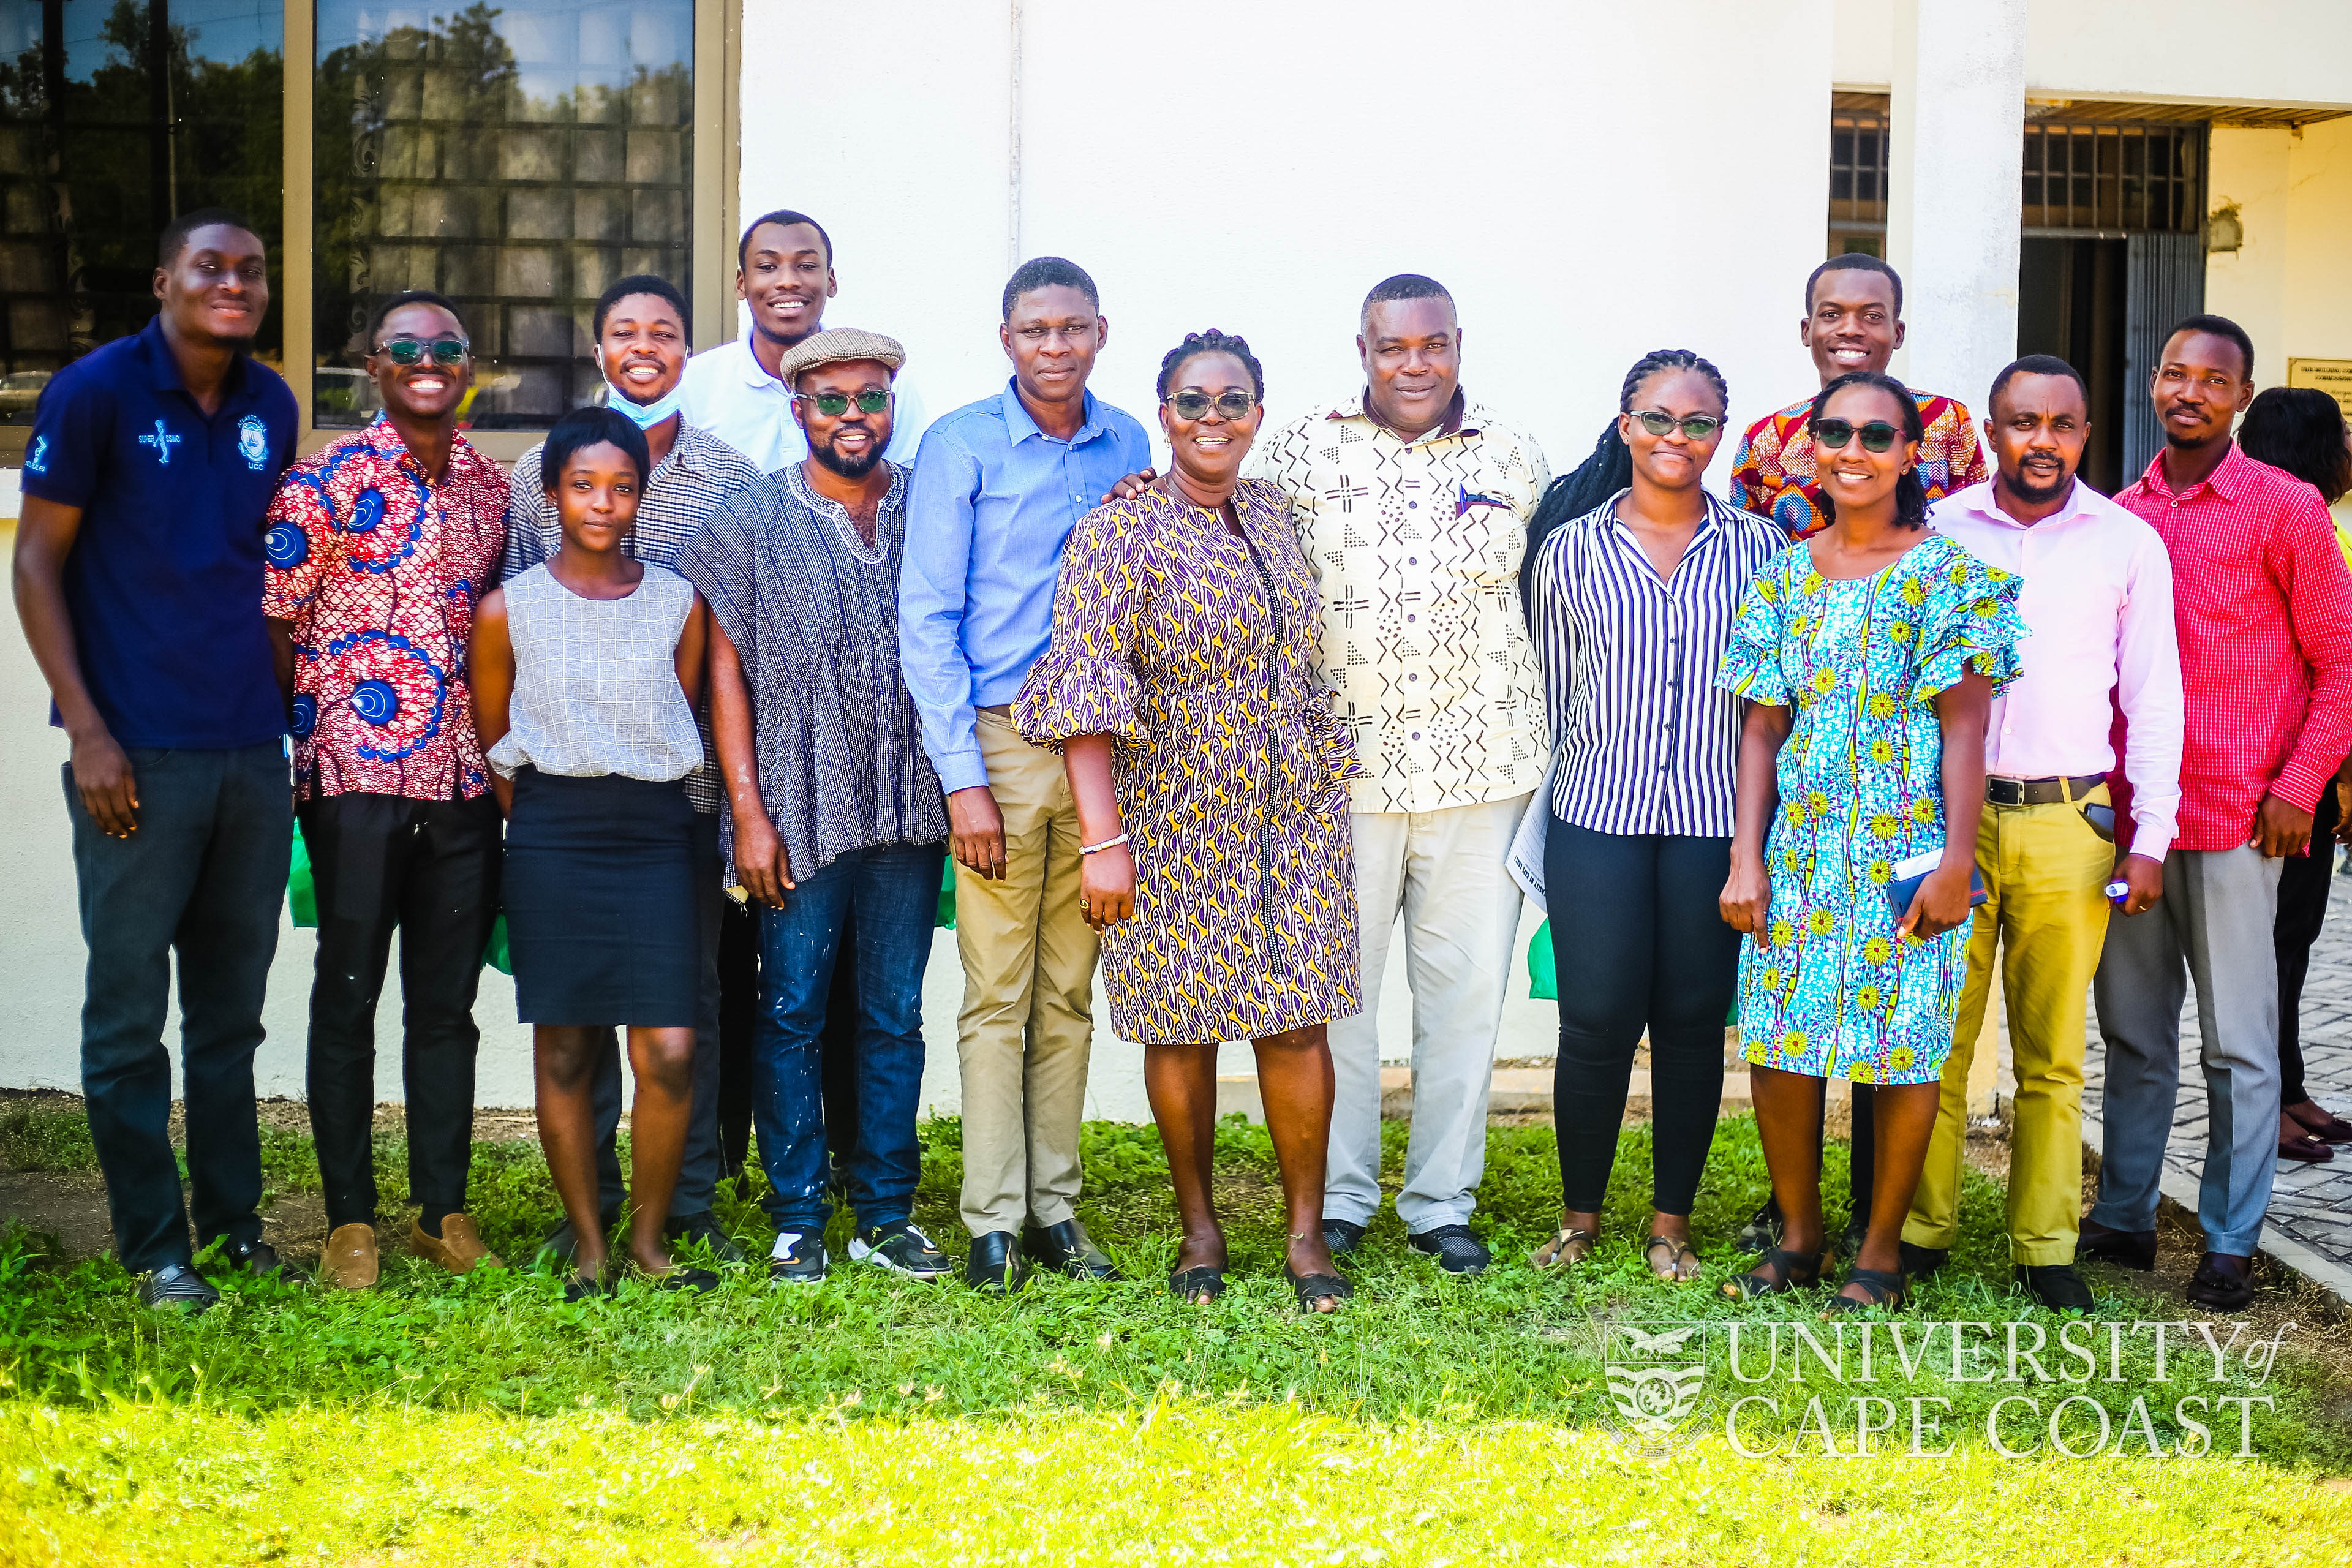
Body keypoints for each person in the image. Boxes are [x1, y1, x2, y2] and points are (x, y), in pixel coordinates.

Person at [1016, 329, 1363, 1313]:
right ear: (1163, 414)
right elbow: (1085, 689)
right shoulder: (1119, 531)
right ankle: (1200, 1227)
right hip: (1172, 812)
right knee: (1180, 1024)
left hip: (1292, 807)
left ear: (1258, 413)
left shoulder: (1274, 511)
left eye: (1233, 401)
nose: (1215, 418)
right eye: (1194, 402)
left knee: (1297, 1020)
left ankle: (1305, 1235)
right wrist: (1103, 840)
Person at [13, 209, 298, 1311]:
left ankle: (232, 1231)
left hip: (249, 752)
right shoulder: (96, 393)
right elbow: (36, 566)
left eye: (250, 271)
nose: (234, 284)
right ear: (163, 281)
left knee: (230, 1018)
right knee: (129, 1016)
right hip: (133, 754)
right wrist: (87, 730)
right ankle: (155, 1249)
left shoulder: (271, 404)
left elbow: (266, 574)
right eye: (209, 267)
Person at [1248, 274, 1548, 1276]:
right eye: (1393, 347)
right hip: (1341, 773)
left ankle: (1440, 1203)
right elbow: (1218, 519)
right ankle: (1338, 1197)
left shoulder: (1516, 455)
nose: (1414, 365)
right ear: (1363, 350)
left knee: (1465, 996)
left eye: (1433, 346)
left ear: (1458, 344)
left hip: (1485, 767)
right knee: (1338, 998)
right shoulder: (1299, 449)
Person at [1716, 370, 2024, 1312]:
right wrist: (1745, 855)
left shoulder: (1951, 577)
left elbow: (1966, 731)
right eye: (1837, 433)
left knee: (1905, 1044)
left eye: (1877, 436)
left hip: (1909, 851)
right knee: (1781, 1039)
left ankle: (1881, 1253)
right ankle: (1800, 1238)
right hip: (1802, 849)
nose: (1855, 451)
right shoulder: (1783, 576)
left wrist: (1959, 863)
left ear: (1910, 454)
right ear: (1812, 447)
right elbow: (1762, 726)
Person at [1899, 356, 2182, 1313]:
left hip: (2071, 820)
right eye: (2025, 422)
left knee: (2053, 1056)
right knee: (1934, 1041)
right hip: (1950, 826)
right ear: (1993, 432)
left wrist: (2150, 838)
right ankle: (1918, 1231)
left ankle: (2045, 1248)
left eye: (2063, 424)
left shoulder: (2127, 543)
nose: (2043, 441)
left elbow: (2153, 698)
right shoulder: (1938, 533)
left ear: (2086, 435)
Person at [679, 328, 954, 1286]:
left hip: (909, 795)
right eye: (830, 400)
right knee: (792, 1009)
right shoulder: (752, 515)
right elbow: (725, 673)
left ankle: (885, 1214)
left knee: (892, 1014)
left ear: (891, 404)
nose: (852, 415)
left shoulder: (930, 503)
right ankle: (798, 1217)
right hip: (797, 800)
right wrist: (748, 812)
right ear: (799, 410)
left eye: (870, 397)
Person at [2088, 316, 2352, 1311]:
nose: (2189, 391)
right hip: (2135, 825)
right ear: (2153, 385)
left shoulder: (2285, 507)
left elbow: (2342, 663)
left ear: (2242, 397)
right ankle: (2123, 1215)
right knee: (2133, 1032)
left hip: (2242, 818)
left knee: (2239, 1045)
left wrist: (2300, 786)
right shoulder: (2119, 517)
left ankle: (2231, 1240)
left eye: (2213, 378)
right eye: (2174, 372)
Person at [900, 258, 1153, 1290]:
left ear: (1100, 333)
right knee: (998, 990)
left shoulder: (1129, 442)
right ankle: (993, 1221)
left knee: (1070, 990)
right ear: (1006, 339)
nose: (1056, 346)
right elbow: (928, 620)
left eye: (1073, 328)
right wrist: (962, 776)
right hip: (1002, 741)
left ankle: (1057, 1209)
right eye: (1036, 330)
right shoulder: (960, 445)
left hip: (1100, 748)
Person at [502, 274, 763, 1265]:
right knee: (575, 1022)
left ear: (688, 349)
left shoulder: (729, 476)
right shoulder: (538, 470)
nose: (644, 345)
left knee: (684, 1012)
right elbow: (513, 657)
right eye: (625, 330)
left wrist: (733, 797)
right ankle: (594, 1208)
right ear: (600, 347)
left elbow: (713, 667)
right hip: (563, 808)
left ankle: (683, 1206)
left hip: (673, 802)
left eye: (664, 331)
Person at [263, 289, 511, 1289]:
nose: (427, 360)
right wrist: (318, 736)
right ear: (373, 366)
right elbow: (276, 621)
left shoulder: (491, 490)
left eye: (446, 347)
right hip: (356, 779)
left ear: (468, 369)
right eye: (405, 347)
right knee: (350, 993)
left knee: (446, 1007)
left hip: (463, 781)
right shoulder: (323, 482)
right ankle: (350, 1222)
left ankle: (440, 1210)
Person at [1523, 350, 1783, 1281]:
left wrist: (1752, 844)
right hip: (1598, 810)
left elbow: (1769, 703)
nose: (1679, 437)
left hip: (1715, 820)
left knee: (1690, 1021)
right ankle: (1579, 1218)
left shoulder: (1762, 551)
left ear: (1720, 433)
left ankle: (1671, 1222)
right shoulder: (1570, 551)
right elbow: (1557, 689)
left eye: (1699, 422)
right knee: (1594, 1019)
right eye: (1660, 419)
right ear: (1626, 425)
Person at [470, 407, 715, 1300]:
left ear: (642, 496)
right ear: (551, 495)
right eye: (583, 486)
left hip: (655, 832)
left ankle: (649, 1242)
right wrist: (547, 815)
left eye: (622, 487)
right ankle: (589, 1247)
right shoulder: (507, 610)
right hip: (552, 834)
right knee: (568, 1049)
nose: (603, 503)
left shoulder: (678, 602)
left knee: (672, 1049)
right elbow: (495, 737)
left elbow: (674, 708)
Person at [2237, 386, 2352, 1163]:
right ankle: (2264, 1104)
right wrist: (2330, 781)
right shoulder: (2292, 525)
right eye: (2342, 434)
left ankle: (2288, 1086)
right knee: (2271, 944)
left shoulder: (2322, 525)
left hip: (2316, 767)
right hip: (2286, 778)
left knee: (2295, 938)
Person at [676, 210, 927, 474]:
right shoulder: (693, 386)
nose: (788, 282)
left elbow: (909, 484)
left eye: (807, 266)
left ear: (831, 281)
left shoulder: (883, 385)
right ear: (741, 283)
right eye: (767, 267)